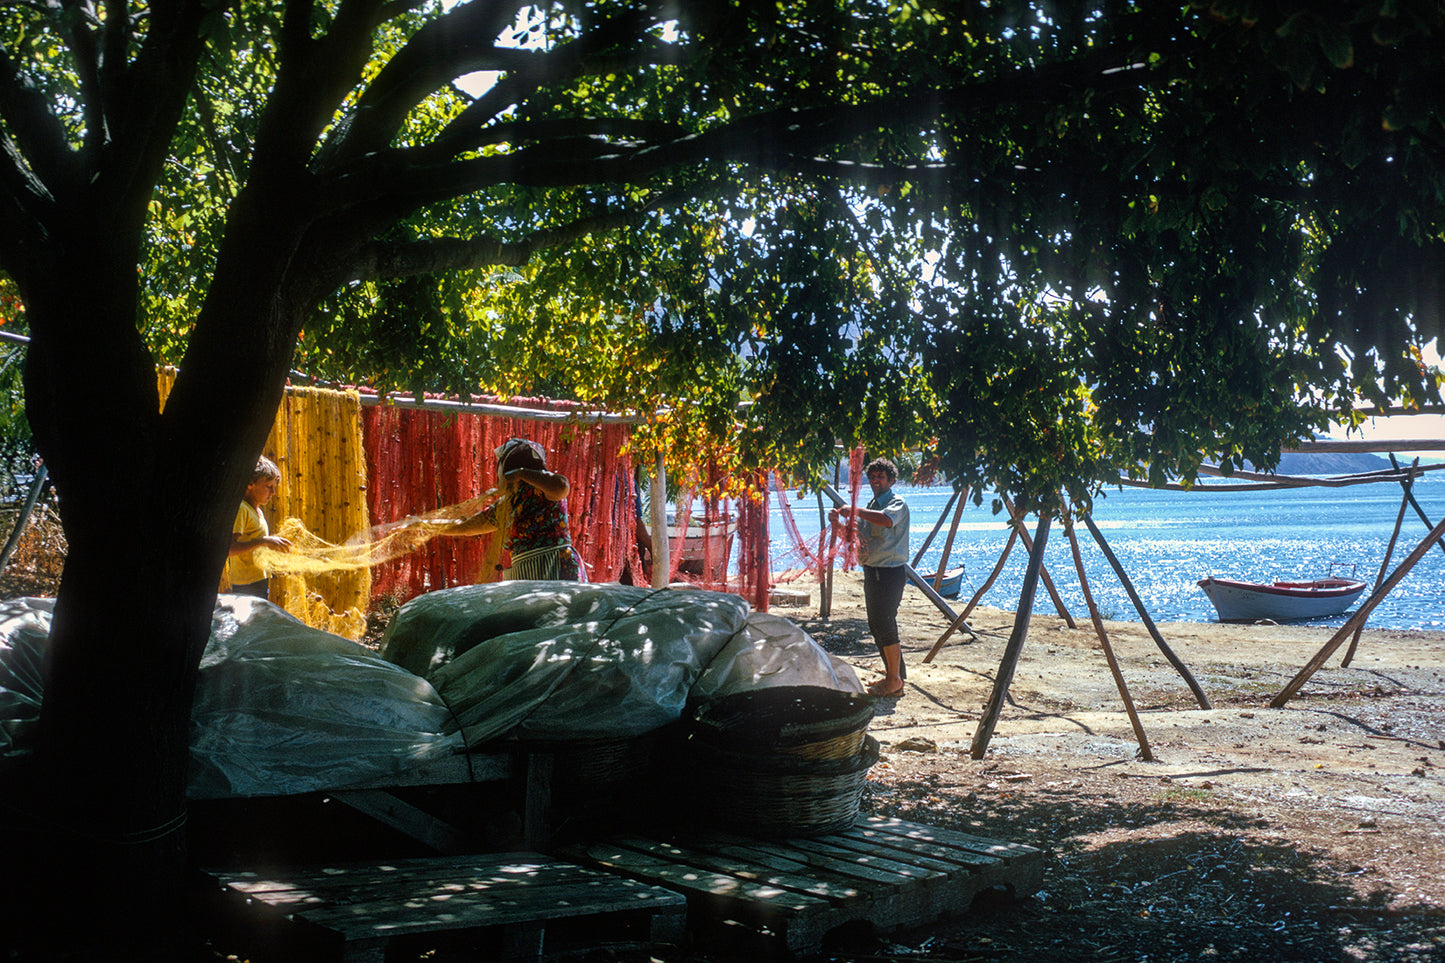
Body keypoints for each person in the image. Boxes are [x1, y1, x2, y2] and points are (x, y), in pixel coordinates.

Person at [442, 438, 581, 581]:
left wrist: (521, 473)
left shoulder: (545, 490)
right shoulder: (506, 505)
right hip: (523, 571)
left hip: (556, 566)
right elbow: (466, 527)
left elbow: (562, 486)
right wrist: (429, 527)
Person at [830, 457, 909, 697]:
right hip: (872, 571)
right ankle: (894, 676)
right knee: (876, 625)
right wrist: (837, 525)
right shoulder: (871, 505)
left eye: (880, 477)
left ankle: (894, 679)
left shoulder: (897, 504)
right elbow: (855, 540)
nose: (875, 481)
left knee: (885, 622)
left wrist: (855, 511)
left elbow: (886, 521)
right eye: (872, 477)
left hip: (890, 573)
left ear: (891, 480)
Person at [225, 456, 292, 598]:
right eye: (268, 487)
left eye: (274, 487)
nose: (273, 492)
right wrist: (264, 541)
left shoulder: (257, 510)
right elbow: (229, 549)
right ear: (250, 484)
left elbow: (254, 542)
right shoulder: (242, 509)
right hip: (246, 586)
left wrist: (269, 543)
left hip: (259, 581)